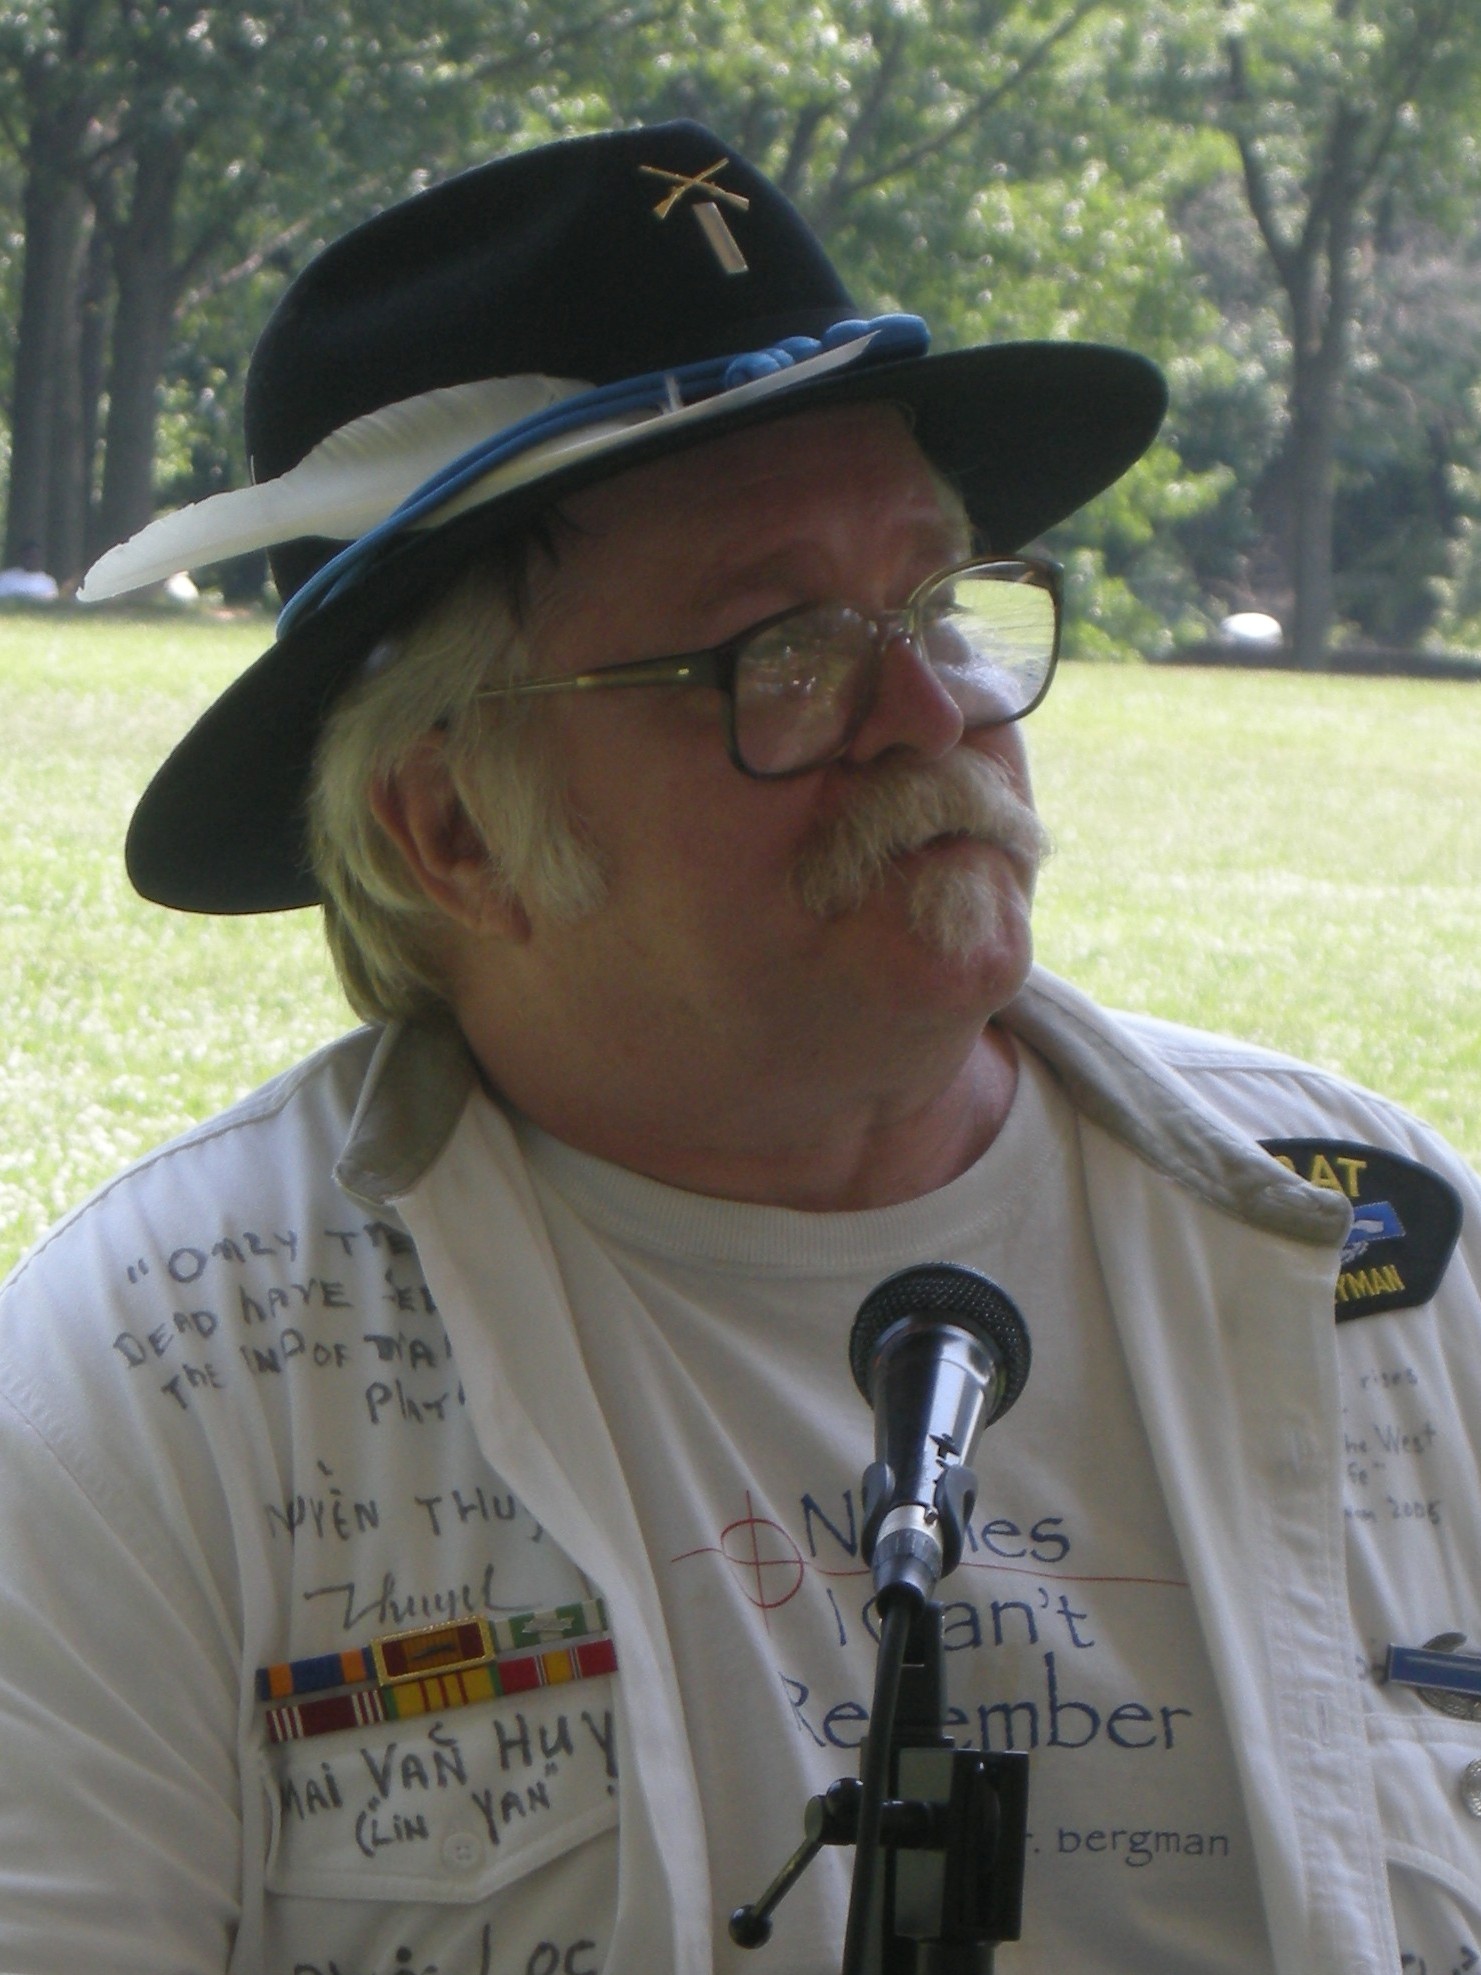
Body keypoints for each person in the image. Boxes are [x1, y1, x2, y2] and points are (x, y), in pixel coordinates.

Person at [3, 120, 1478, 1975]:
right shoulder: (151, 1389)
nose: (930, 709)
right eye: (779, 649)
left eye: (936, 603)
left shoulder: (1380, 1249)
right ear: (452, 829)